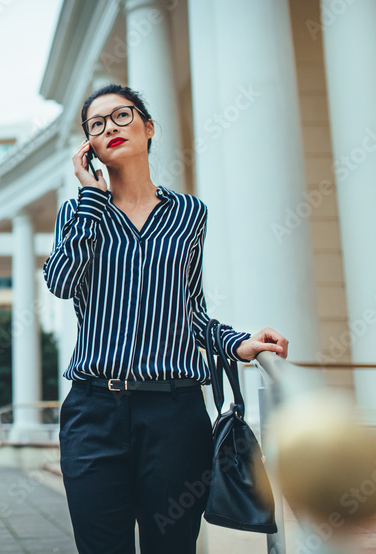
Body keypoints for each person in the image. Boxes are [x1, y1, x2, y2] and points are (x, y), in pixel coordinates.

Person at [42, 83, 289, 554]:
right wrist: (92, 200)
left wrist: (238, 343)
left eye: (122, 116)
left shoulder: (189, 214)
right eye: (96, 125)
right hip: (93, 414)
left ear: (148, 127)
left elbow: (190, 309)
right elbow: (60, 282)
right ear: (88, 148)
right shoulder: (78, 212)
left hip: (174, 414)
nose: (110, 128)